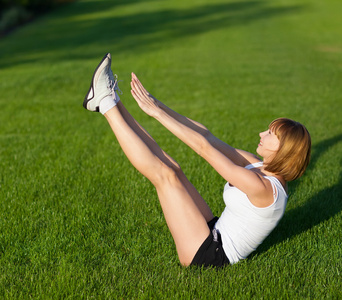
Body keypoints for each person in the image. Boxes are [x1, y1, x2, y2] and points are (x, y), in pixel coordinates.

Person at [83, 53, 311, 268]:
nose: (262, 134)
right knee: (174, 169)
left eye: (270, 134)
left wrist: (156, 114)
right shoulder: (258, 164)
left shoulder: (263, 189)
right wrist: (158, 104)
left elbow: (204, 149)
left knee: (166, 177)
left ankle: (105, 105)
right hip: (214, 229)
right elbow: (207, 137)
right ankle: (110, 97)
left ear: (284, 150)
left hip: (210, 255)